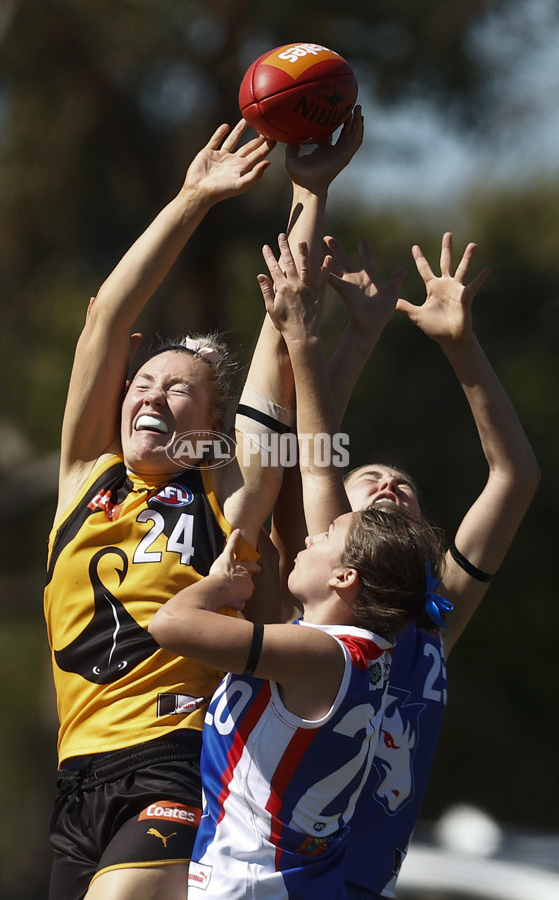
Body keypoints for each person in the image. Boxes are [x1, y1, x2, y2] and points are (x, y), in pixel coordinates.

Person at [44, 111, 365, 900]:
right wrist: (192, 198)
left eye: (177, 388)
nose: (151, 394)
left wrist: (308, 191)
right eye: (143, 383)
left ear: (212, 427)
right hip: (76, 774)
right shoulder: (88, 475)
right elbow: (103, 323)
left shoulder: (226, 488)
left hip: (177, 757)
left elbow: (279, 323)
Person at [148, 234, 447, 900]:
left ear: (345, 578)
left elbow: (170, 622)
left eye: (324, 537)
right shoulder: (350, 649)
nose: (309, 538)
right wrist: (309, 339)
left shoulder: (323, 658)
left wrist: (218, 585)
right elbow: (316, 465)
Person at [270, 232, 541, 899]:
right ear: (335, 530)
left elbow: (516, 474)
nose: (391, 483)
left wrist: (461, 343)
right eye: (370, 480)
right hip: (276, 881)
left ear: (422, 535)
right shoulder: (331, 592)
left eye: (405, 487)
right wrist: (341, 339)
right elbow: (315, 454)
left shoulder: (431, 618)